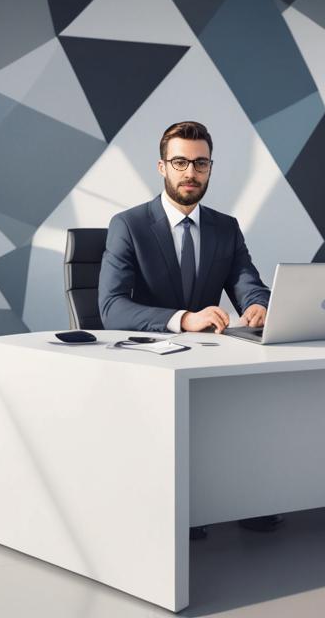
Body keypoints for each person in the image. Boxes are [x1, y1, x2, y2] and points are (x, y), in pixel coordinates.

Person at [98, 120, 281, 539]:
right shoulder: (129, 225)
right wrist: (184, 318)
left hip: (210, 360)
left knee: (257, 400)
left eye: (200, 163)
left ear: (210, 168)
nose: (190, 172)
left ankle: (243, 497)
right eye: (179, 162)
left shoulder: (225, 227)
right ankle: (183, 507)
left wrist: (257, 304)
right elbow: (111, 308)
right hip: (148, 362)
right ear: (161, 167)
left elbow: (247, 282)